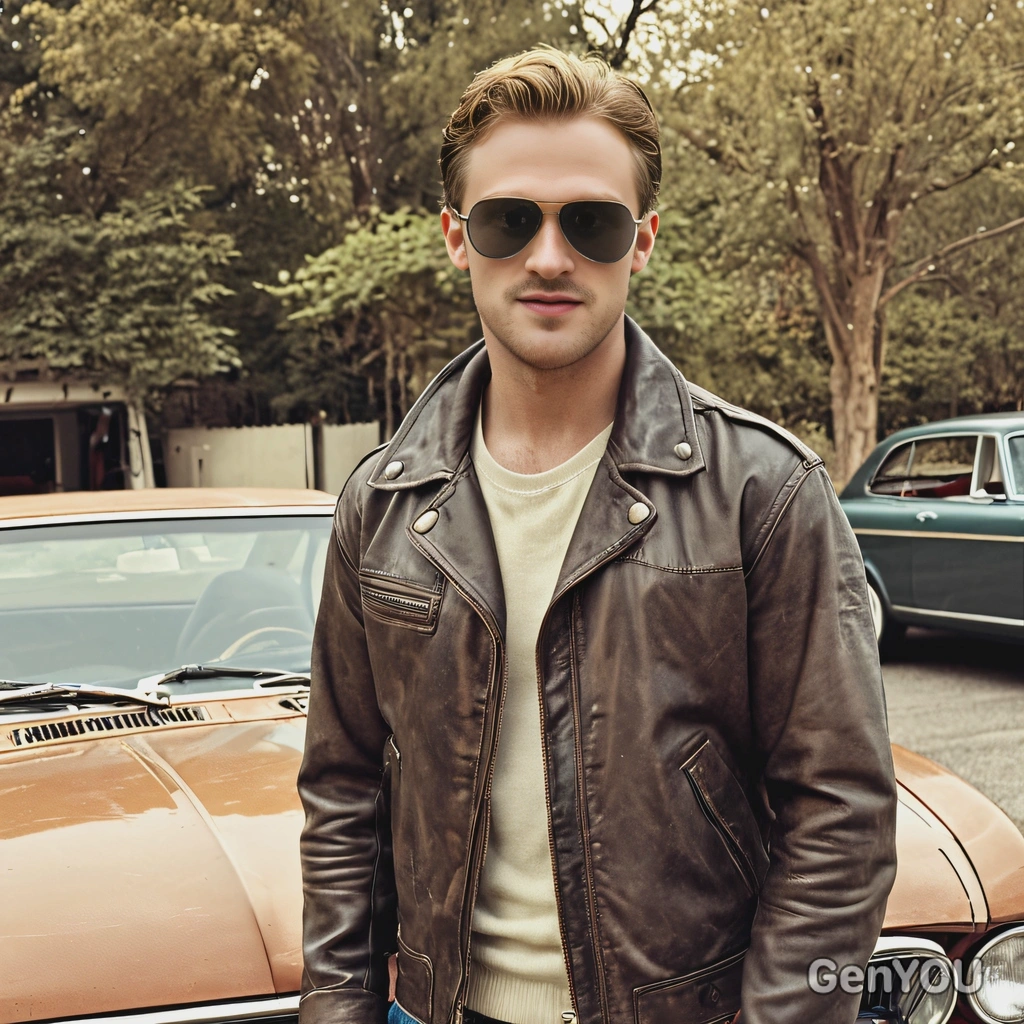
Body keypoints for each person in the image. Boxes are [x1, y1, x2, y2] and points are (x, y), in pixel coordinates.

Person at [298, 46, 897, 1024]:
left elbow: (842, 815)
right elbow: (343, 787)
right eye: (506, 220)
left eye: (591, 222)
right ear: (457, 238)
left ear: (643, 240)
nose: (546, 256)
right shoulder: (384, 502)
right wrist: (338, 1007)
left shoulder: (763, 489)